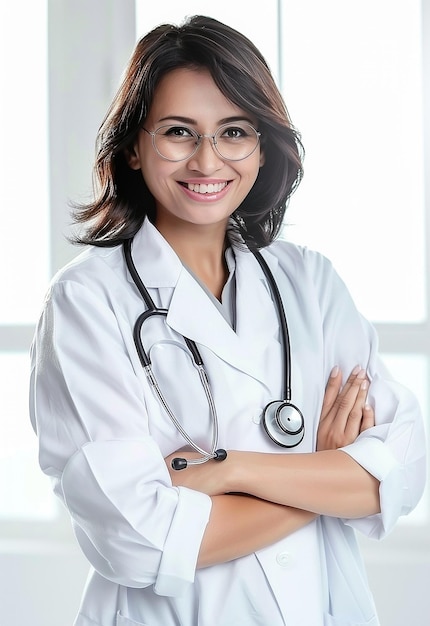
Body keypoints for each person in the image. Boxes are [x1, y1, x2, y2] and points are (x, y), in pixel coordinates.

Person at [29, 15, 426, 626]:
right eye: (179, 132)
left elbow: (402, 468)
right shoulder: (86, 301)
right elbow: (139, 541)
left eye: (234, 131)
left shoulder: (310, 282)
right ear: (134, 146)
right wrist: (323, 473)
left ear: (262, 145)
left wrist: (231, 471)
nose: (208, 160)